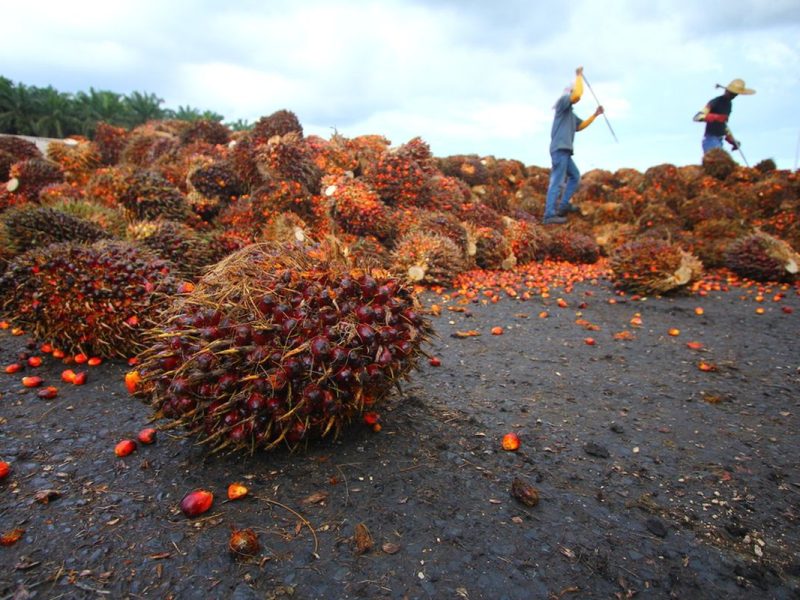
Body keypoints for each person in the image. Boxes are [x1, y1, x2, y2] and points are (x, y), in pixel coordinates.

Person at [543, 66, 604, 225]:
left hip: (565, 151)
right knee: (557, 181)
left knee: (575, 176)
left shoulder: (570, 113)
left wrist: (595, 115)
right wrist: (579, 77)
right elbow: (577, 95)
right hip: (559, 149)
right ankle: (549, 215)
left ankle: (563, 206)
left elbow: (580, 126)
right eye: (572, 92)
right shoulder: (562, 103)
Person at [693, 78, 755, 155]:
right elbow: (697, 117)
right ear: (726, 91)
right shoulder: (715, 102)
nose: (733, 96)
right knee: (719, 161)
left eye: (735, 94)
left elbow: (724, 125)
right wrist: (716, 117)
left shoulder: (728, 105)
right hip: (710, 139)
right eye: (732, 93)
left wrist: (732, 140)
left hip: (719, 140)